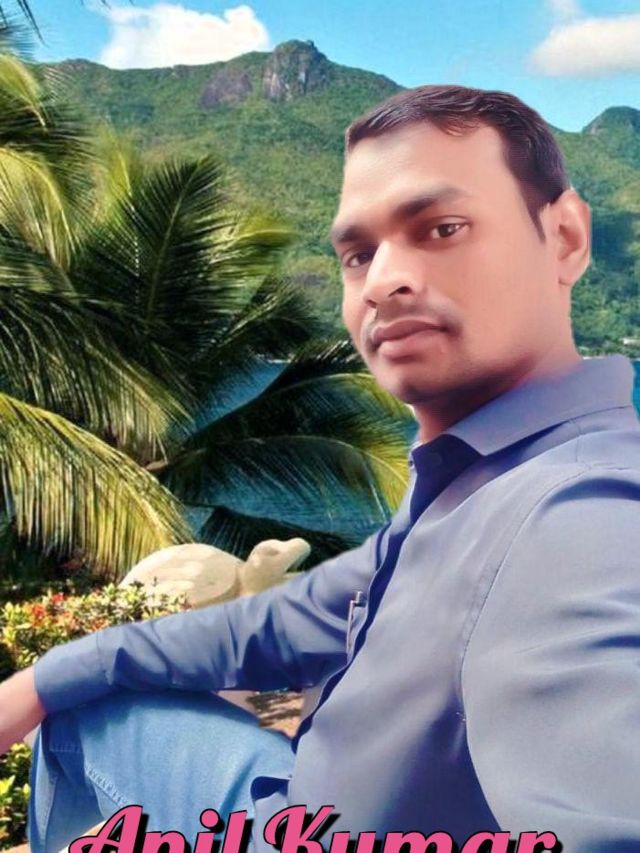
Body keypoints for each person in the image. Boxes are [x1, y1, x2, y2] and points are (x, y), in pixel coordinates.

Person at [1, 83, 640, 852]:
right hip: (303, 800)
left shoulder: (577, 510)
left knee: (79, 720)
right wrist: (42, 677)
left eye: (443, 228)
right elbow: (284, 620)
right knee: (75, 693)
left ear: (564, 238)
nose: (383, 281)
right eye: (358, 253)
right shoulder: (469, 480)